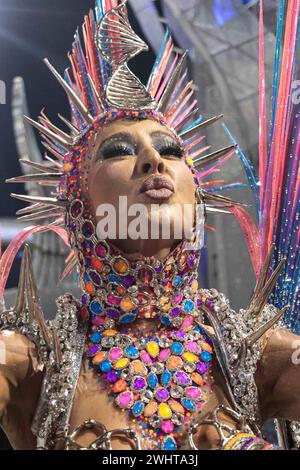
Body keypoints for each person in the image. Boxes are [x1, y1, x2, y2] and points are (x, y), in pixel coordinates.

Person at [0, 0, 299, 450]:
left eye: (172, 151)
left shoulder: (259, 357)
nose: (153, 160)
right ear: (78, 204)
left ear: (197, 193)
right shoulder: (34, 364)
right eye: (118, 149)